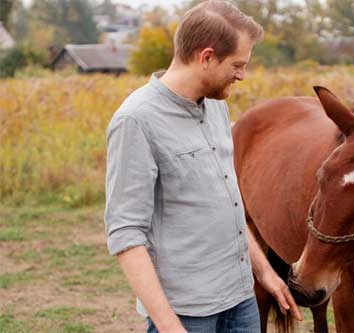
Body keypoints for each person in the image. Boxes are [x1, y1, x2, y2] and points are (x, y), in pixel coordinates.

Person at [104, 1, 302, 332]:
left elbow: (228, 199)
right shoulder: (136, 120)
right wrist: (170, 326)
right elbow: (126, 234)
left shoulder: (216, 109)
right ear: (206, 57)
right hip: (187, 313)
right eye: (238, 65)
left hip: (240, 300)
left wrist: (264, 271)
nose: (242, 75)